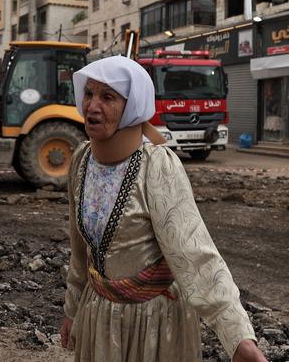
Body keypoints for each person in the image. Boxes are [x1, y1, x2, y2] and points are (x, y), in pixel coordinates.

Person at [59, 56, 266, 362]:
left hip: (153, 325)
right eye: (88, 94)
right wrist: (72, 311)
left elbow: (195, 253)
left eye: (107, 97)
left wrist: (237, 336)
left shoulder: (156, 166)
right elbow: (80, 252)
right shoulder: (81, 159)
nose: (92, 106)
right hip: (99, 316)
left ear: (132, 106)